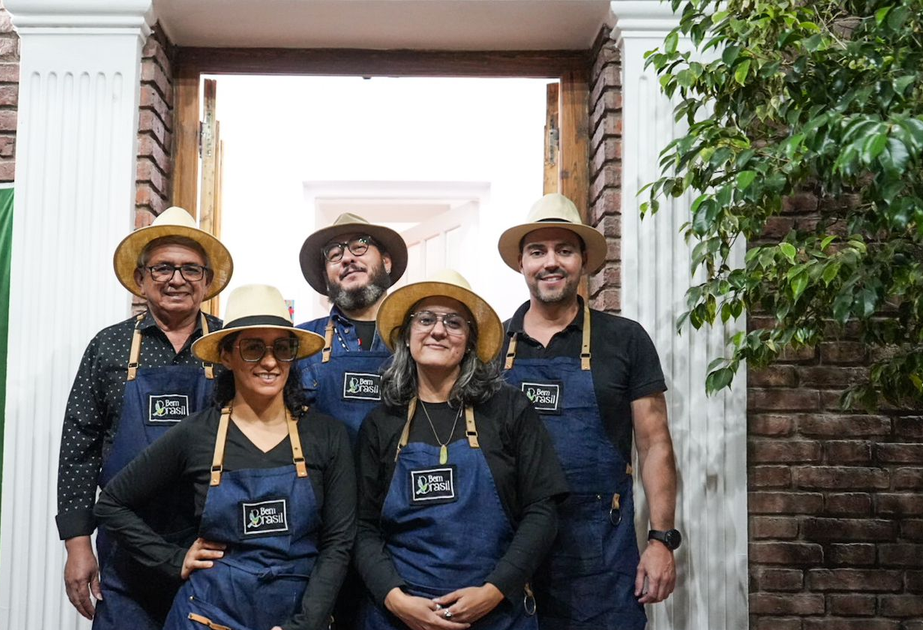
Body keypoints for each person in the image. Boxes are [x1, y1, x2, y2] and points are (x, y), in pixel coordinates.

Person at [95, 284, 355, 630]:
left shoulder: (326, 435)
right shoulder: (197, 434)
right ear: (227, 357)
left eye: (283, 347)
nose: (269, 361)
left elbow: (338, 542)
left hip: (295, 615)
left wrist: (307, 623)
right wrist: (173, 560)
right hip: (206, 617)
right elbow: (112, 503)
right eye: (252, 348)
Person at [496, 194, 679, 630]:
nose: (551, 262)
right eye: (537, 252)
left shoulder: (625, 339)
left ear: (583, 261)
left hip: (600, 557)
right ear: (522, 264)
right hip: (509, 551)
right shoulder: (492, 345)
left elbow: (655, 444)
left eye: (564, 250)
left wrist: (661, 540)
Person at [355, 269, 568, 630]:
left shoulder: (509, 410)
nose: (438, 330)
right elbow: (360, 526)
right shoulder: (382, 422)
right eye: (425, 319)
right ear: (407, 336)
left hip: (497, 614)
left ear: (469, 341)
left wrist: (496, 589)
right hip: (400, 616)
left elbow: (542, 511)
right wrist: (396, 599)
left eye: (454, 322)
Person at [56, 207, 233, 629]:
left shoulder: (232, 346)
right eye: (163, 268)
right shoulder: (109, 346)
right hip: (126, 543)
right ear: (141, 278)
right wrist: (77, 544)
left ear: (207, 281)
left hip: (212, 543)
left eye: (191, 269)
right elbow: (78, 449)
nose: (177, 279)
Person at [296, 213, 409, 445]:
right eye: (335, 255)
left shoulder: (415, 340)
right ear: (326, 279)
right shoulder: (302, 344)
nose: (347, 258)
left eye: (360, 246)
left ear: (386, 263)